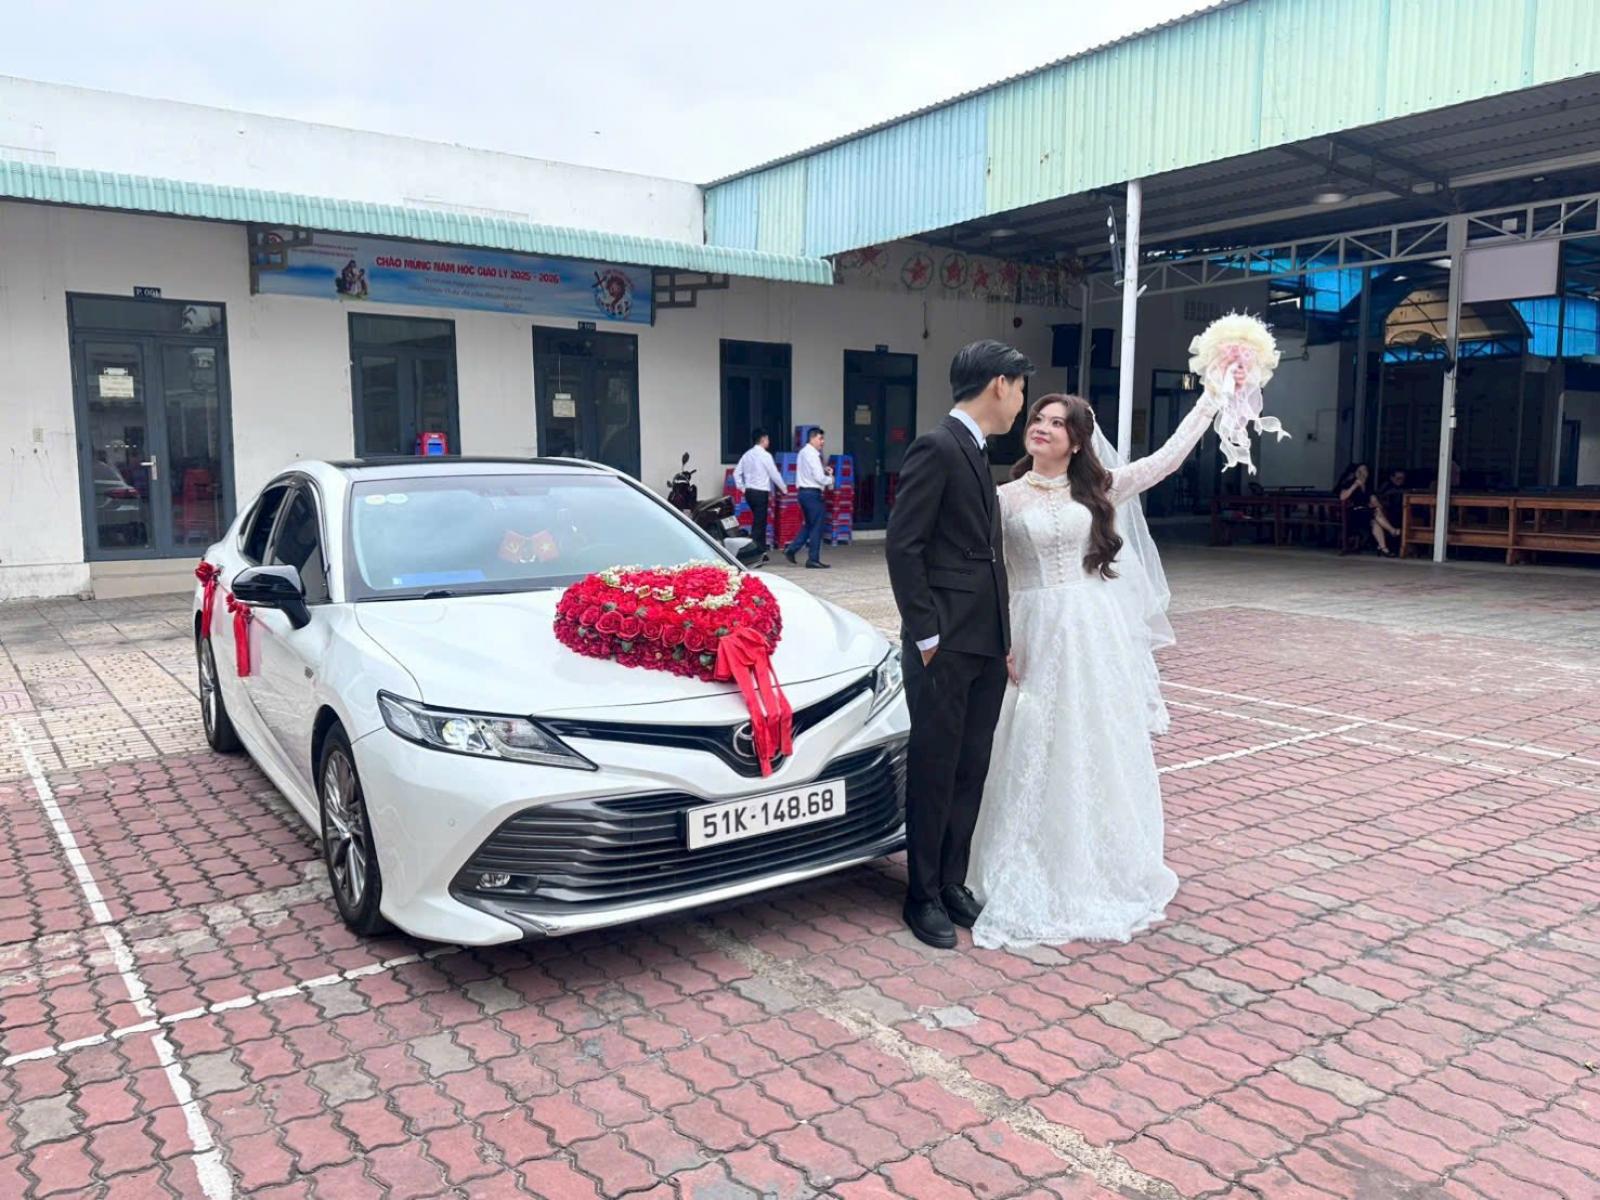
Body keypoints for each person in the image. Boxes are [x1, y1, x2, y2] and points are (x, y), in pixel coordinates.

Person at [965, 387, 1225, 949]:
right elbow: (992, 574)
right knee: (1029, 738)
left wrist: (1210, 399)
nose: (1042, 427)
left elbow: (1165, 461)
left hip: (1092, 630)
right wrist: (1001, 638)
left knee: (1093, 738)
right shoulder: (1003, 497)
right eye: (1038, 418)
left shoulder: (1099, 488)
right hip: (1031, 626)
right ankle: (1020, 855)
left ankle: (1097, 861)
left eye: (1057, 423)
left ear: (1078, 441)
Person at [886, 340, 1032, 949]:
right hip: (943, 646)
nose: (1022, 403)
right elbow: (904, 545)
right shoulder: (939, 446)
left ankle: (951, 881)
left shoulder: (975, 450)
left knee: (971, 768)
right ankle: (920, 894)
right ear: (999, 384)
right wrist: (926, 635)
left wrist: (1002, 636)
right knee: (936, 768)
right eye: (1020, 389)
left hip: (983, 643)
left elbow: (986, 558)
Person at [783, 428, 835, 569]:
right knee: (817, 526)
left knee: (810, 525)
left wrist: (823, 471)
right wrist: (830, 479)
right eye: (820, 438)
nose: (822, 442)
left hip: (804, 493)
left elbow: (811, 472)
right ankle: (813, 559)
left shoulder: (803, 452)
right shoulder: (812, 454)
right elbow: (818, 477)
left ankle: (792, 549)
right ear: (812, 438)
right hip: (812, 493)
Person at [732, 428, 787, 560]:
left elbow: (736, 473)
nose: (769, 441)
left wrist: (742, 488)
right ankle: (751, 553)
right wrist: (784, 488)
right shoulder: (765, 456)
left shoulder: (747, 455)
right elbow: (774, 473)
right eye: (767, 439)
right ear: (763, 439)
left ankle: (762, 552)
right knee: (759, 525)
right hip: (760, 493)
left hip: (749, 492)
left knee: (759, 522)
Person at [1336, 463, 1377, 553]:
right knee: (1375, 518)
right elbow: (1343, 497)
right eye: (1359, 471)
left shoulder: (1368, 485)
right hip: (1353, 511)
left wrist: (1375, 504)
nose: (1362, 473)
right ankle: (1392, 533)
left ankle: (1383, 547)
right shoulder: (1350, 483)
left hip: (1366, 510)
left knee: (1376, 518)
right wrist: (1354, 485)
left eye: (1365, 470)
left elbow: (1373, 499)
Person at [1372, 467, 1407, 556]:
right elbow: (1380, 498)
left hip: (1401, 513)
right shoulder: (1386, 486)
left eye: (1402, 479)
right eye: (1398, 478)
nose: (1400, 481)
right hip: (1387, 512)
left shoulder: (1405, 487)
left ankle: (1386, 546)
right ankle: (1393, 534)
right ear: (1392, 478)